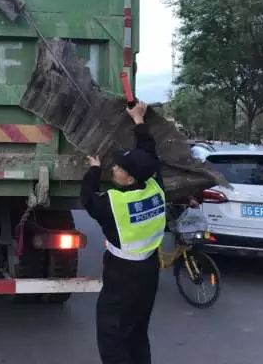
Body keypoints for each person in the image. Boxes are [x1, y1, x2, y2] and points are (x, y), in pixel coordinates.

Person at [81, 102, 166, 364]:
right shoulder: (155, 187)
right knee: (137, 331)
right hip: (148, 272)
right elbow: (148, 154)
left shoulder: (114, 205)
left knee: (112, 333)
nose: (113, 168)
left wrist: (94, 170)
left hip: (123, 276)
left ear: (129, 179)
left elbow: (87, 198)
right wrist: (138, 120)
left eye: (118, 167)